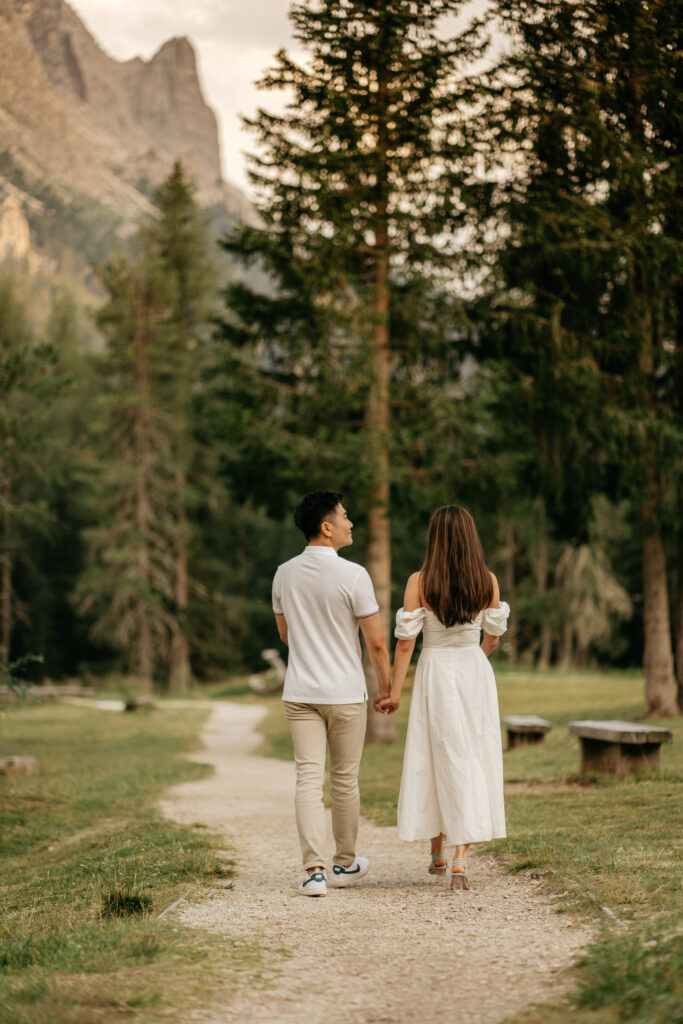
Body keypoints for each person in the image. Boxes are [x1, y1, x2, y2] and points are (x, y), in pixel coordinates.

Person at [375, 505, 509, 890]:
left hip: (433, 668)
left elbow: (405, 645)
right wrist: (473, 661)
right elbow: (494, 636)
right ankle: (460, 857)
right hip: (473, 669)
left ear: (434, 539)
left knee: (432, 751)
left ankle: (436, 850)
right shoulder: (487, 580)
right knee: (469, 754)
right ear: (471, 537)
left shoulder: (419, 581)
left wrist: (393, 692)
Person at [273, 490, 391, 897]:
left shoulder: (283, 574)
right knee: (344, 779)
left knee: (307, 779)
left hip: (300, 691)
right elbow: (376, 644)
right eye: (344, 516)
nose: (351, 523)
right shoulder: (354, 575)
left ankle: (313, 873)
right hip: (344, 693)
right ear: (326, 528)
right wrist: (387, 687)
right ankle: (344, 863)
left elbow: (286, 636)